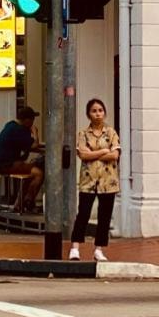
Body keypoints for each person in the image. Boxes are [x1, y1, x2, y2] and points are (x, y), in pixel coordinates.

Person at [67, 97, 120, 262]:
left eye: (100, 110)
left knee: (104, 216)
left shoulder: (111, 132)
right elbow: (83, 154)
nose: (98, 114)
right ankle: (75, 247)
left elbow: (115, 155)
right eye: (94, 111)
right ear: (88, 114)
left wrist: (95, 154)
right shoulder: (83, 134)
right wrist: (103, 151)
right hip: (88, 181)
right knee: (83, 214)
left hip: (108, 182)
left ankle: (99, 249)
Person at [0, 105, 43, 214]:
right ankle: (28, 202)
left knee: (29, 173)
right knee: (38, 173)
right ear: (27, 120)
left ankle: (19, 204)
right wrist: (35, 132)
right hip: (7, 165)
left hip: (2, 164)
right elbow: (34, 145)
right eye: (32, 120)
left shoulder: (10, 126)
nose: (33, 123)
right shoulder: (19, 130)